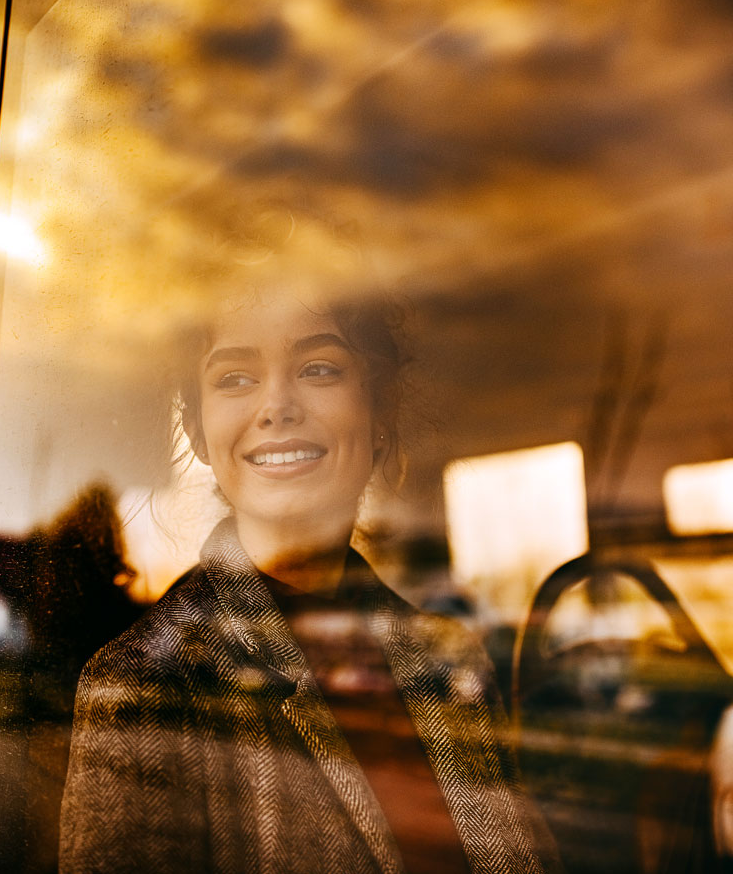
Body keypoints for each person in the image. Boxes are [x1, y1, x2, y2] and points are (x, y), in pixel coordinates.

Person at [57, 282, 560, 874]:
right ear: (196, 429)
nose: (277, 406)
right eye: (235, 379)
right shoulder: (145, 688)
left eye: (319, 369)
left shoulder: (452, 661)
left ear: (381, 408)